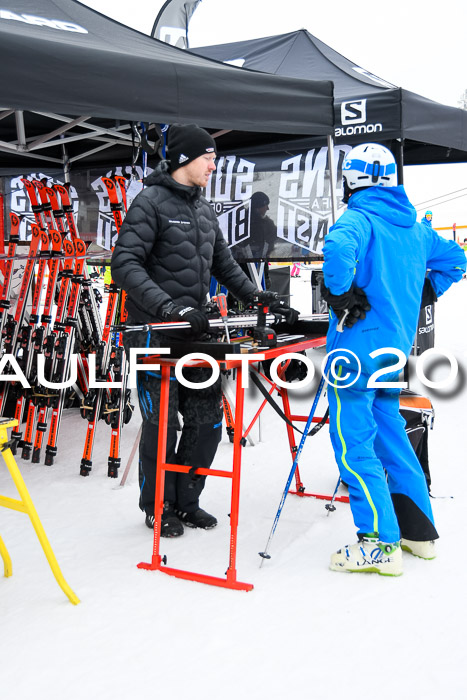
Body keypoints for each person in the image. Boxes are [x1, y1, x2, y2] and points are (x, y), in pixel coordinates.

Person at [111, 123, 298, 537]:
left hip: (196, 334)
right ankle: (158, 507)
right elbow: (124, 265)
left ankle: (186, 501)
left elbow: (224, 265)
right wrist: (168, 305)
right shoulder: (150, 203)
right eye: (208, 157)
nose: (214, 164)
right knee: (163, 425)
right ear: (183, 159)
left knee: (207, 422)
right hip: (154, 332)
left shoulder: (203, 209)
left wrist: (256, 295)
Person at [321, 142, 466, 576]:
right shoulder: (414, 227)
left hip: (354, 353)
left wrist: (342, 294)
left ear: (354, 179)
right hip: (392, 352)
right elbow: (456, 260)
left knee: (353, 447)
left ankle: (379, 544)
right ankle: (418, 535)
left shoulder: (359, 217)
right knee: (392, 437)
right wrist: (426, 289)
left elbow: (336, 251)